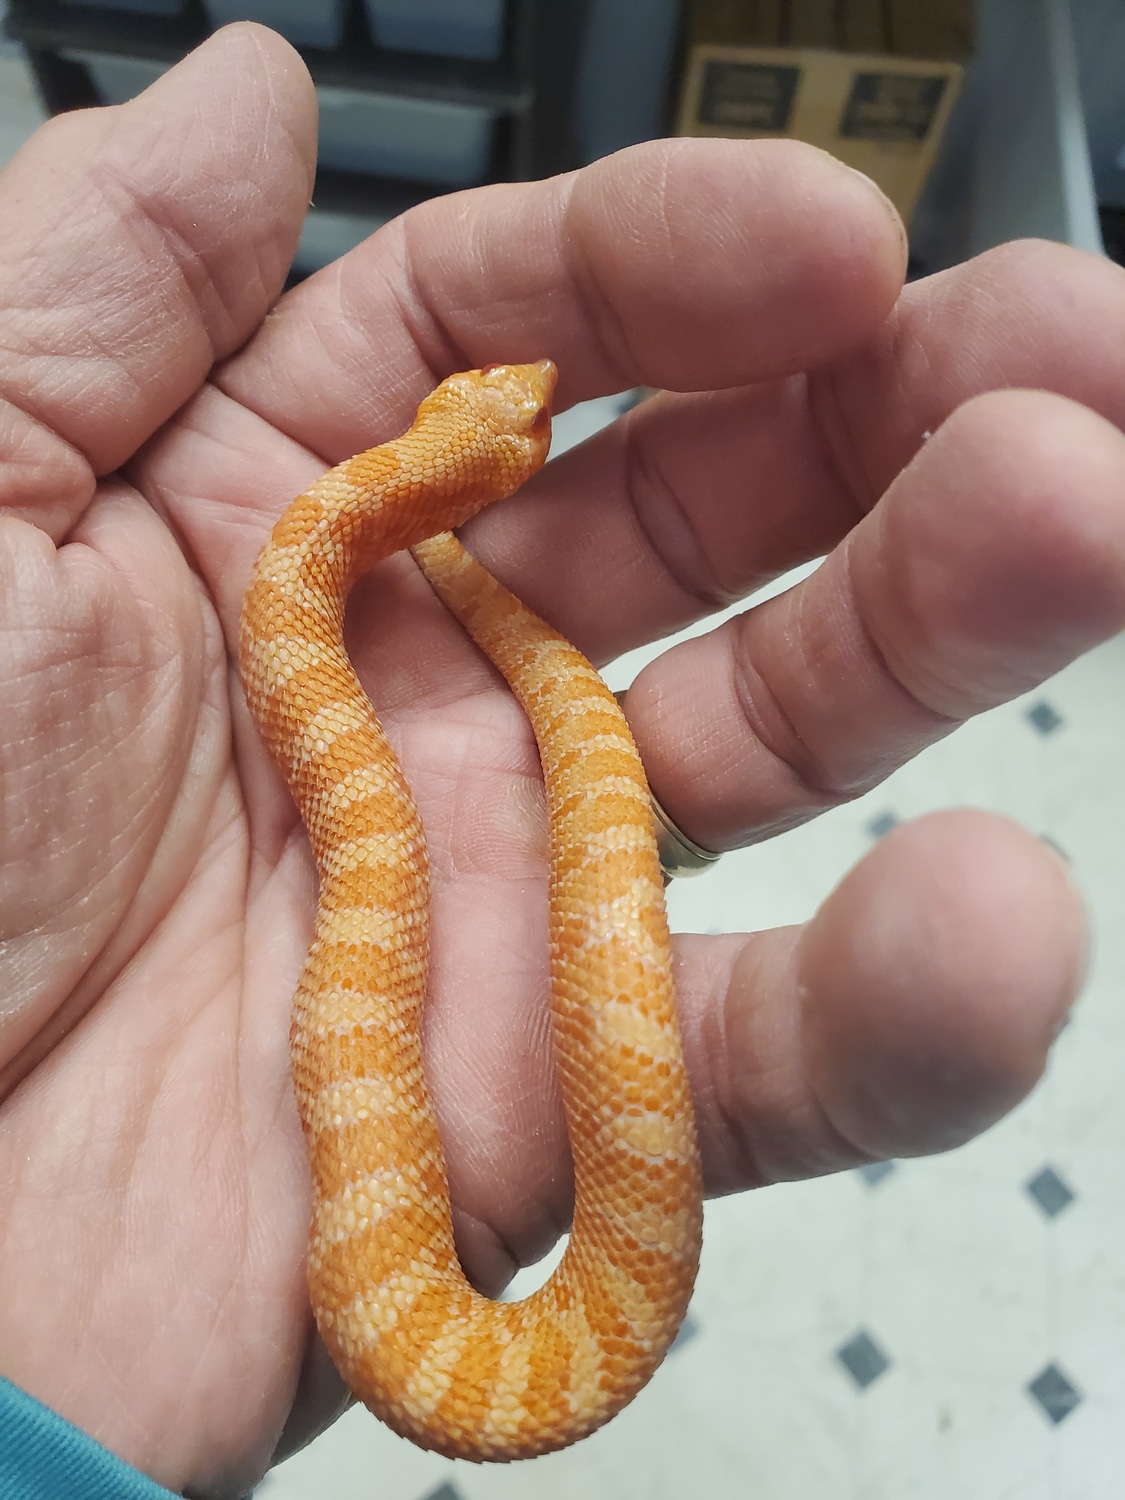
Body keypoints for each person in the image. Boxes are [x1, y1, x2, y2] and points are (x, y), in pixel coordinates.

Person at [0, 20, 1121, 1500]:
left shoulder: (312, 560)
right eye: (523, 422)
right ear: (455, 463)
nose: (534, 388)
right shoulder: (312, 561)